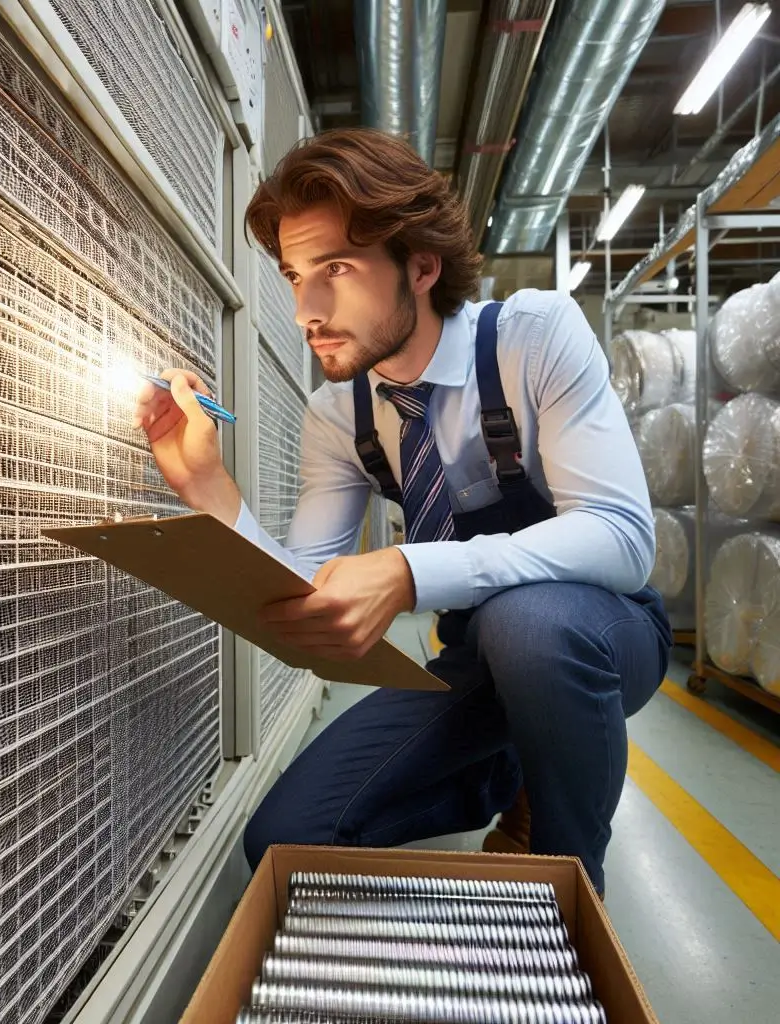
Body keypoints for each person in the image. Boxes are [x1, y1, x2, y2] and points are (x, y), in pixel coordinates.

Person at [132, 127, 672, 897]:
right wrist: (208, 490)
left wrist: (408, 569)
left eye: (337, 270)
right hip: (477, 661)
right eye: (294, 276)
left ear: (421, 266)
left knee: (531, 625)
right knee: (286, 839)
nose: (304, 312)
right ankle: (508, 765)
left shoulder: (534, 338)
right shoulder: (339, 414)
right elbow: (308, 591)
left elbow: (622, 538)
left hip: (601, 637)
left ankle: (568, 884)